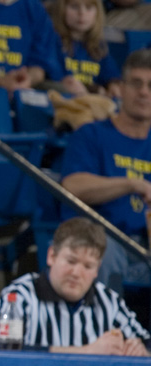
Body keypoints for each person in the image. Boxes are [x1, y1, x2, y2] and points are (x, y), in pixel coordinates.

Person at [0, 217, 150, 355]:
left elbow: (145, 342)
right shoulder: (19, 296)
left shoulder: (108, 301)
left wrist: (140, 349)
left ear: (97, 270)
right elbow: (1, 351)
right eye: (71, 261)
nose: (76, 273)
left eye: (87, 266)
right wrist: (87, 351)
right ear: (52, 256)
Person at [59, 48, 151, 293]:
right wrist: (133, 184)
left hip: (146, 242)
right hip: (105, 240)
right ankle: (103, 329)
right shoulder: (92, 134)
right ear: (120, 88)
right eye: (136, 84)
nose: (144, 92)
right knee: (104, 250)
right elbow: (73, 186)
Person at [51, 0, 121, 96]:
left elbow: (112, 76)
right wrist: (94, 89)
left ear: (97, 13)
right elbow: (60, 80)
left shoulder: (99, 48)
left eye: (88, 8)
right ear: (61, 10)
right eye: (74, 7)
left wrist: (113, 85)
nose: (82, 13)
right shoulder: (53, 42)